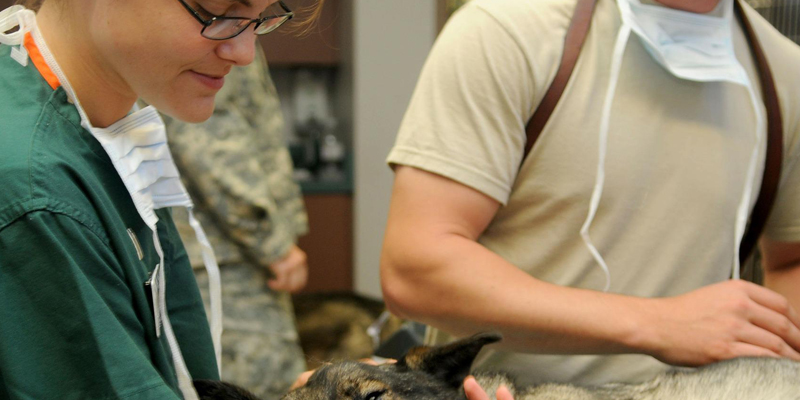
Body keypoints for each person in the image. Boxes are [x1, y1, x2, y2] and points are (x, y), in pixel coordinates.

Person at [0, 0, 506, 398]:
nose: (243, 53)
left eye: (261, 19)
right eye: (219, 11)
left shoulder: (95, 131)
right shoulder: (37, 193)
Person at [382, 0, 800, 388]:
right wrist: (659, 324)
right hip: (507, 392)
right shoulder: (510, 30)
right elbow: (415, 270)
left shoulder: (785, 75)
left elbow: (791, 260)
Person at [164, 46, 310, 398]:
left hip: (215, 251)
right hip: (225, 259)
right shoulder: (217, 28)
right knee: (261, 386)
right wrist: (272, 244)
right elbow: (210, 143)